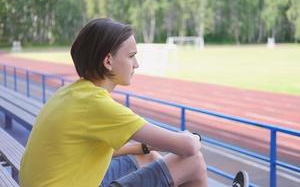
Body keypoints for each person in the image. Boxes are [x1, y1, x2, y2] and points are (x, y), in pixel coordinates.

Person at [19, 18, 249, 187]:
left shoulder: (70, 93)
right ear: (108, 61)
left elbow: (93, 153)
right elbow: (186, 147)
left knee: (145, 156)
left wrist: (143, 146)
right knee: (193, 161)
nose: (136, 64)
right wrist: (193, 137)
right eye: (131, 56)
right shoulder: (97, 105)